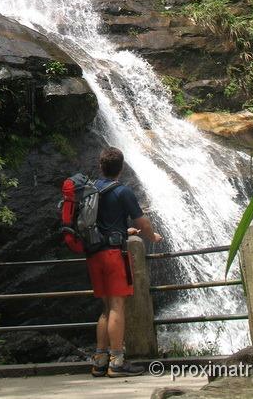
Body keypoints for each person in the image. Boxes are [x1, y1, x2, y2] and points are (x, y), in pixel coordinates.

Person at [88, 146, 162, 378]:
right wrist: (152, 236)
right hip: (113, 255)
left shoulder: (91, 190)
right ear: (121, 168)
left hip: (94, 253)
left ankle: (99, 360)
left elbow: (102, 221)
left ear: (101, 167)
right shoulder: (122, 192)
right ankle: (117, 361)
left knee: (105, 309)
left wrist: (123, 229)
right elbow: (143, 222)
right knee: (118, 306)